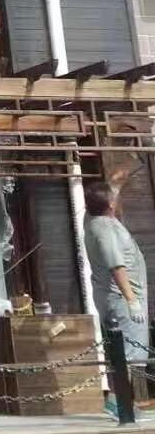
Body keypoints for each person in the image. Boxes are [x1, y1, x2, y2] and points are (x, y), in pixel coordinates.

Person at [84, 173, 149, 419]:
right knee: (127, 351)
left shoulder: (91, 216)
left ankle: (121, 400)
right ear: (111, 204)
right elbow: (116, 266)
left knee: (124, 350)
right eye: (114, 197)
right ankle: (118, 400)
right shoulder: (104, 229)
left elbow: (112, 188)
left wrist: (127, 171)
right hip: (120, 298)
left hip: (114, 295)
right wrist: (132, 301)